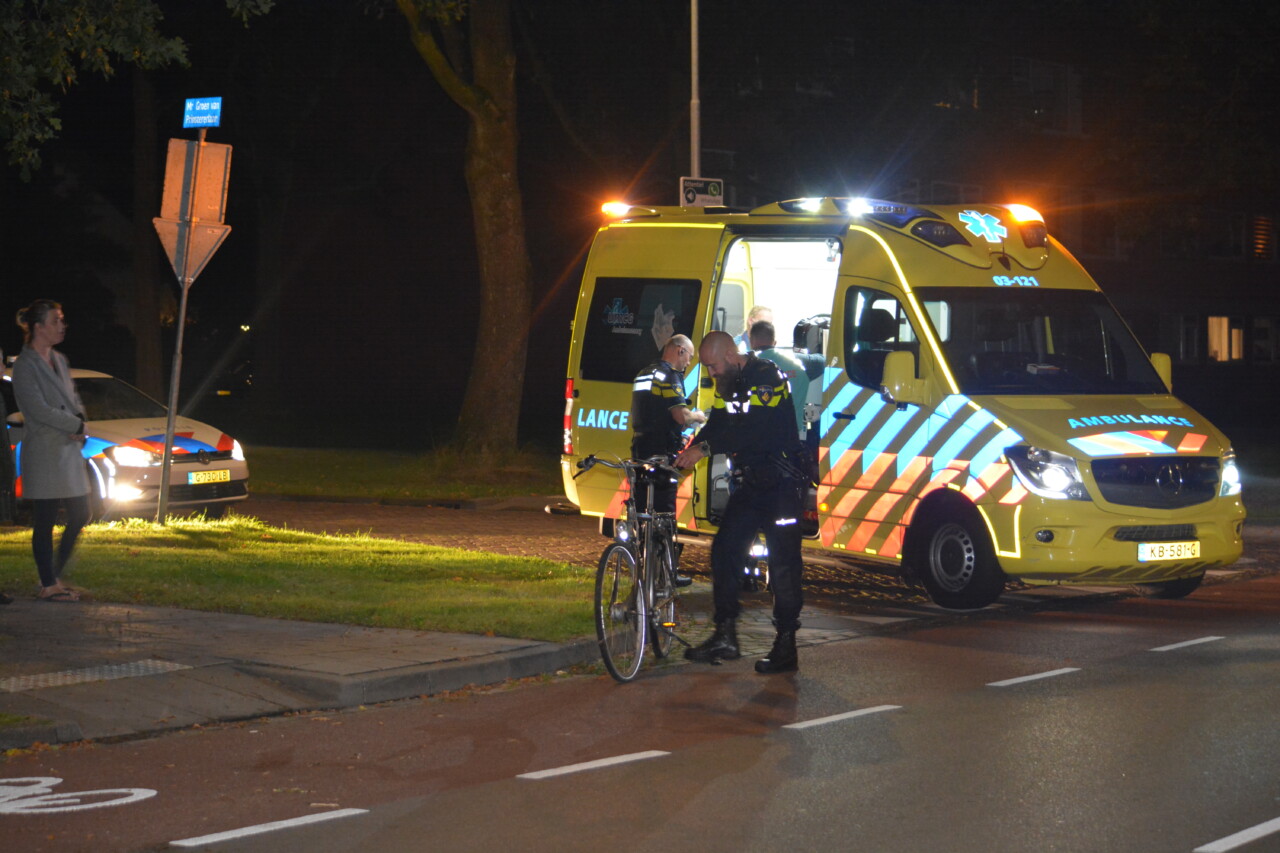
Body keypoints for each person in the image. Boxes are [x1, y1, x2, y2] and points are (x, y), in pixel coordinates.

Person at [675, 330, 807, 674]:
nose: (711, 373)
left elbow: (753, 430)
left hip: (781, 485)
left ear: (731, 356)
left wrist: (703, 450)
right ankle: (725, 634)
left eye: (713, 365)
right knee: (725, 549)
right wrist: (690, 449)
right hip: (751, 485)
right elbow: (719, 423)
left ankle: (785, 645)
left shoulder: (767, 377)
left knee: (783, 566)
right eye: (706, 368)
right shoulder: (728, 386)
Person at [11, 300, 91, 602]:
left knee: (82, 512)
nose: (62, 325)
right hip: (45, 450)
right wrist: (75, 425)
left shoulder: (60, 359)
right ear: (38, 327)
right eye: (56, 320)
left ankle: (53, 575)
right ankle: (48, 584)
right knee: (45, 518)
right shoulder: (24, 365)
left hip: (68, 449)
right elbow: (36, 409)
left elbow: (73, 399)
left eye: (62, 319)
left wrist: (80, 422)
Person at [631, 334, 705, 586]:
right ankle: (666, 573)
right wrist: (698, 416)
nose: (688, 364)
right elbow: (680, 416)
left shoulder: (644, 372)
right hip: (661, 450)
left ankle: (640, 566)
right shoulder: (670, 375)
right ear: (679, 350)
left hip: (640, 448)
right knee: (664, 513)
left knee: (642, 512)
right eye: (689, 357)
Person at [749, 320, 813, 440]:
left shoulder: (749, 365)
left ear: (751, 341)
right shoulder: (796, 364)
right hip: (797, 435)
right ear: (774, 342)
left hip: (762, 437)